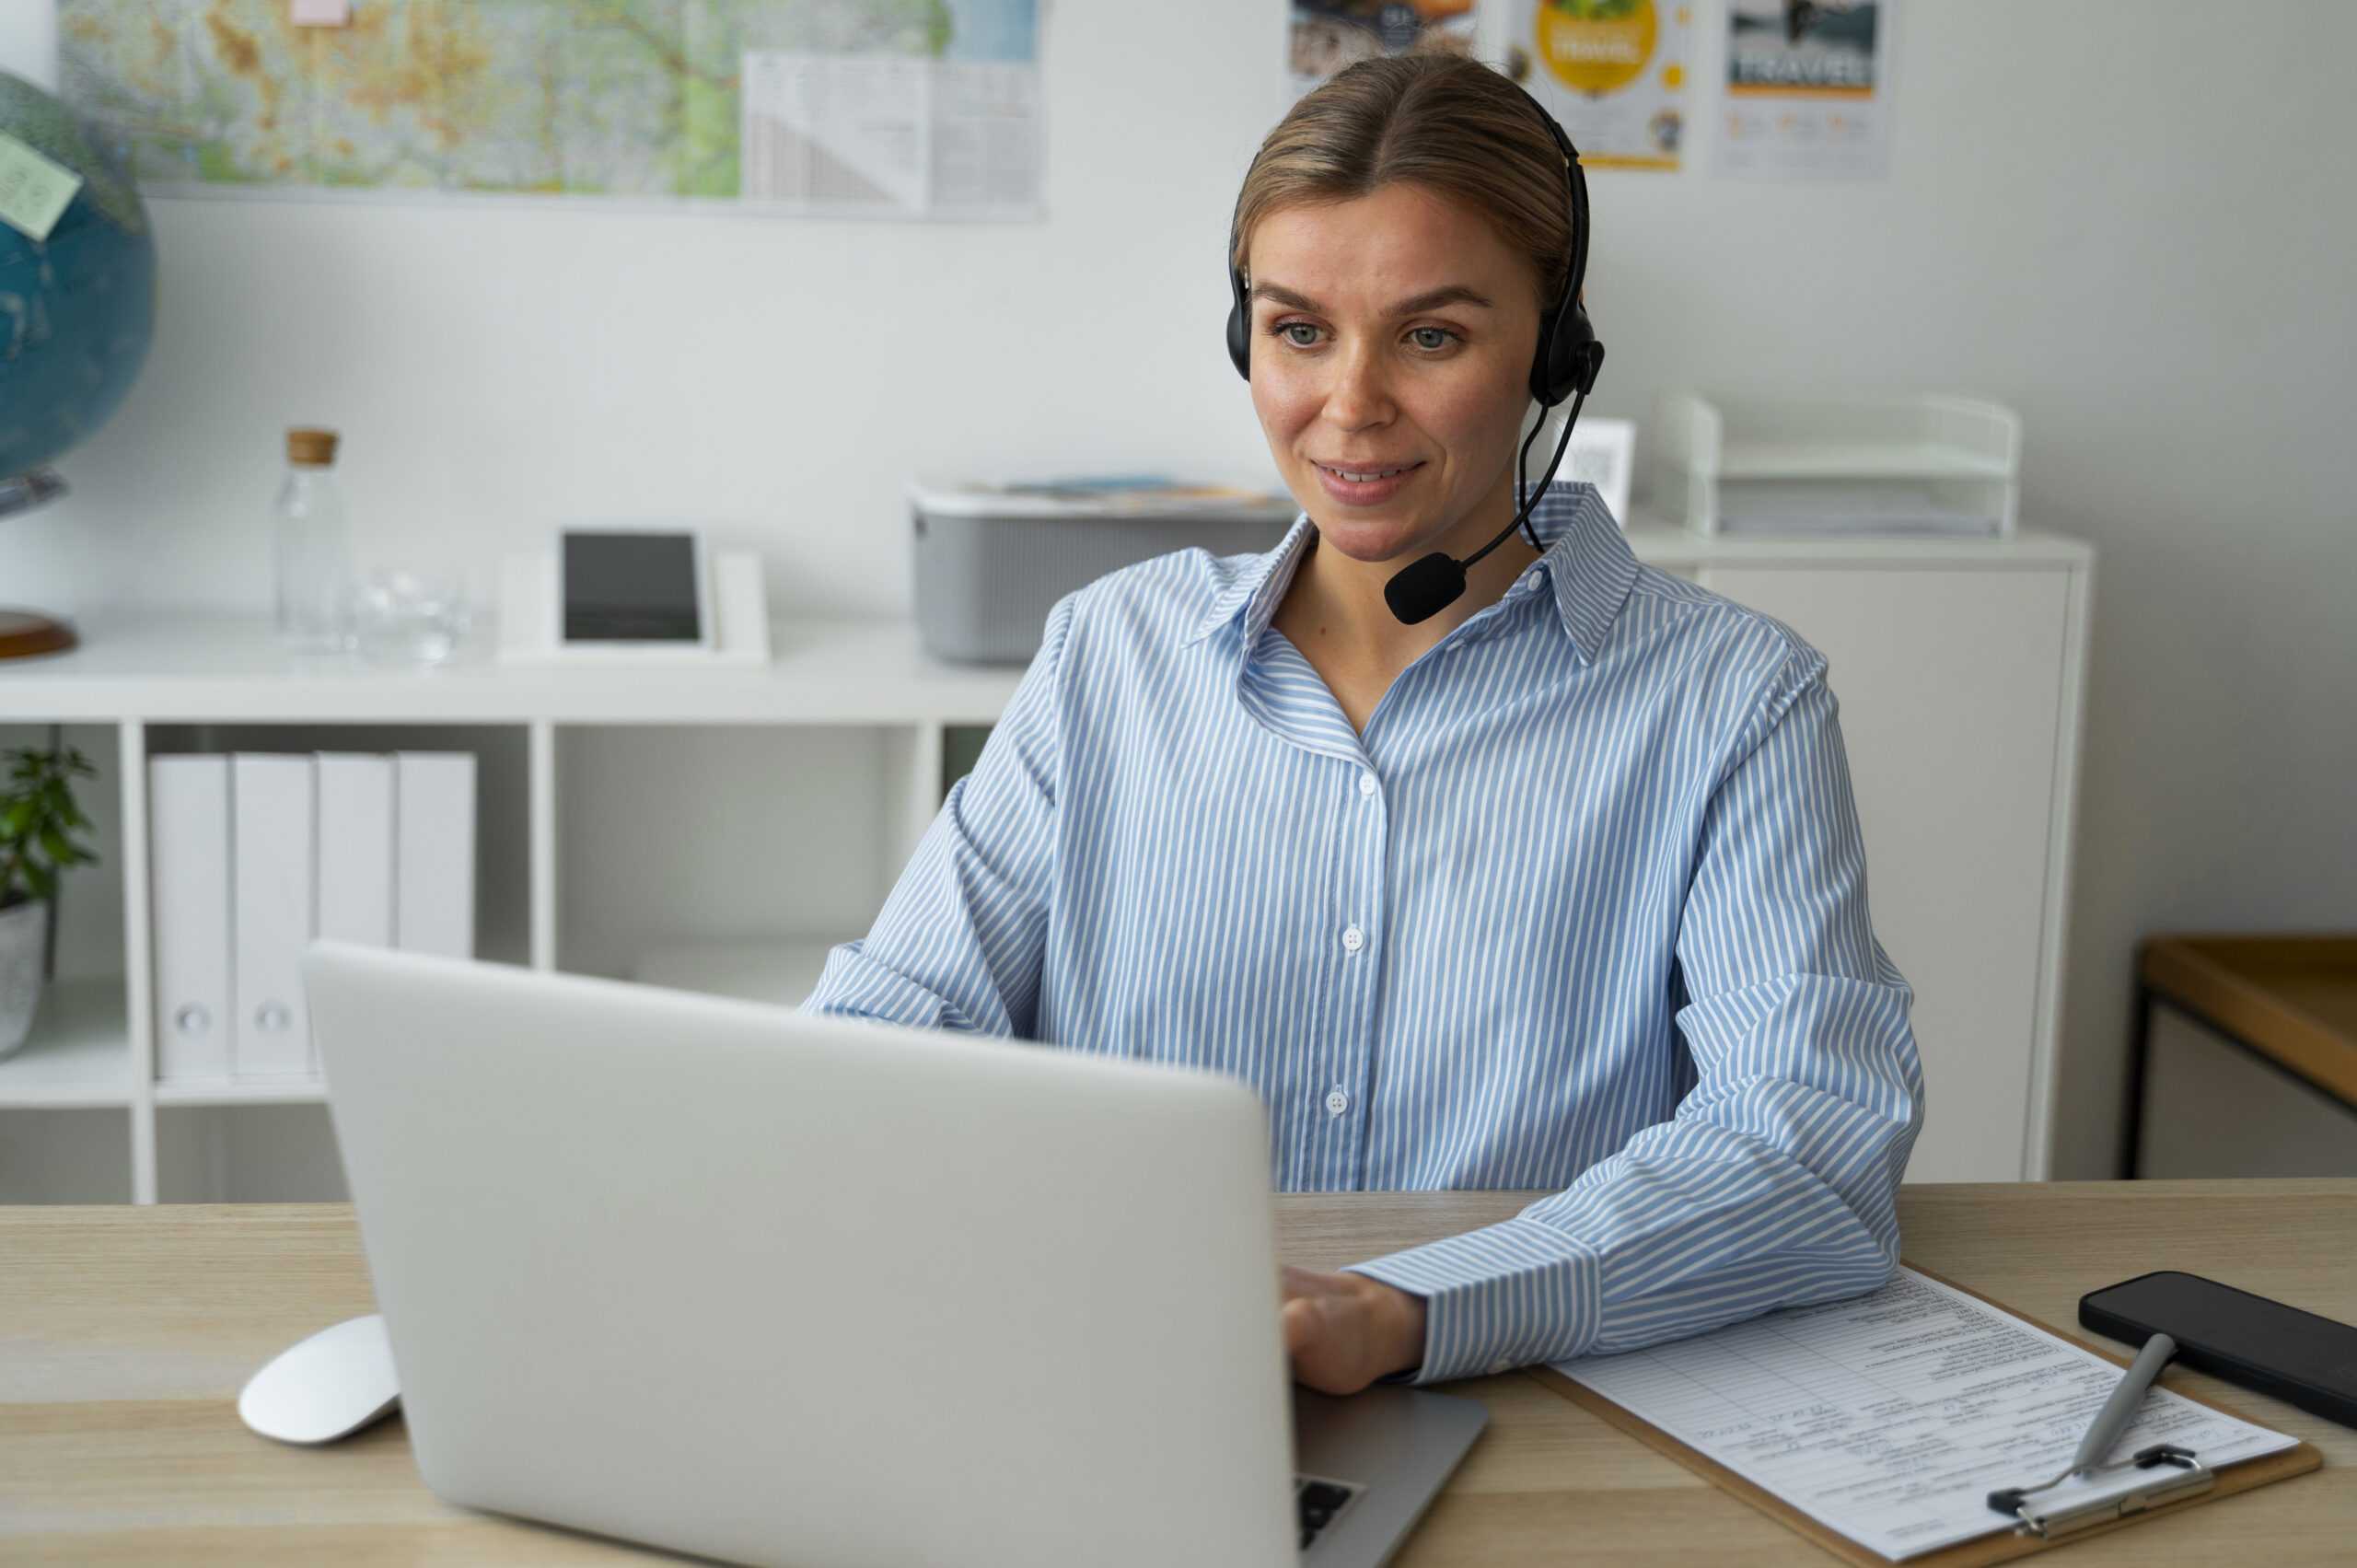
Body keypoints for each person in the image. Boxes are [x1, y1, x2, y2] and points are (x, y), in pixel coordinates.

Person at [802, 52, 1925, 1398]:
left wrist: (1407, 1310)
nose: (1349, 407)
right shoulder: (1115, 654)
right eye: (1297, 330)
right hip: (1124, 1377)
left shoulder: (1733, 699)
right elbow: (898, 1022)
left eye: (1432, 336)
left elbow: (1809, 1144)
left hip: (1528, 1401)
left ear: (1553, 356)